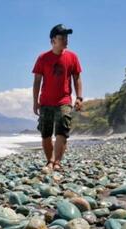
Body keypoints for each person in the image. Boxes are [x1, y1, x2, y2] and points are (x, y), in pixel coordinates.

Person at [32, 24, 83, 172]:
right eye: (62, 38)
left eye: (66, 37)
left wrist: (79, 97)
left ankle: (57, 162)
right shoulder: (43, 58)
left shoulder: (72, 57)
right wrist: (35, 102)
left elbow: (77, 78)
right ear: (53, 40)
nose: (66, 40)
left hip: (64, 100)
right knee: (45, 134)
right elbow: (37, 81)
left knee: (62, 131)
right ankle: (50, 161)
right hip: (46, 101)